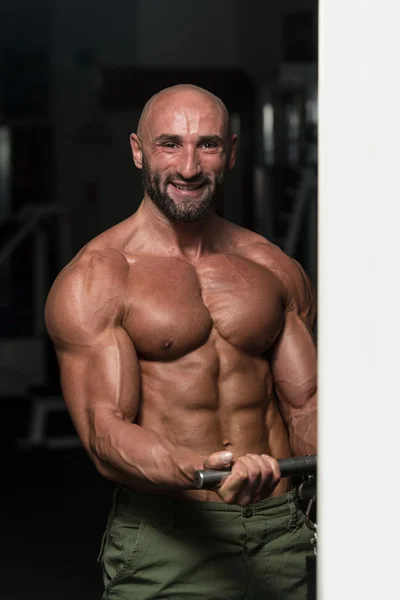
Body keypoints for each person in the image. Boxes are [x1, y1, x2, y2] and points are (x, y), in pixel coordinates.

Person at [45, 84, 317, 600]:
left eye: (208, 145)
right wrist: (205, 471)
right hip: (170, 542)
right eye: (170, 144)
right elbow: (105, 434)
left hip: (285, 532)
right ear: (137, 150)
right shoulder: (99, 277)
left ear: (232, 152)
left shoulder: (273, 267)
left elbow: (306, 406)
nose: (189, 167)